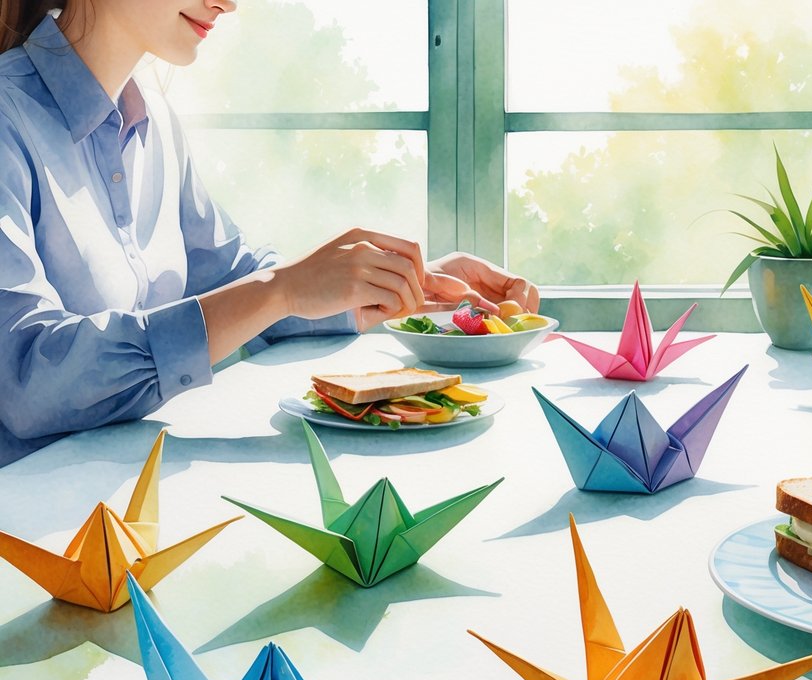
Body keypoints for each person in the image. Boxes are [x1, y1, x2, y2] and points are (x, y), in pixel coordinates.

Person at [0, 0, 539, 466]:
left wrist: (402, 280)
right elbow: (27, 380)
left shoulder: (157, 124)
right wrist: (280, 290)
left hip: (130, 501)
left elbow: (237, 287)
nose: (228, 3)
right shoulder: (7, 121)